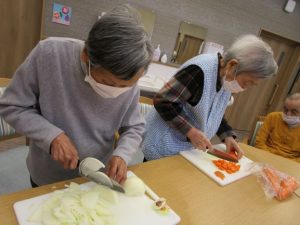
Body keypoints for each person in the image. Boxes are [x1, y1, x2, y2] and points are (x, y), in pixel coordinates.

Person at [0, 5, 153, 186]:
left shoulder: (129, 78)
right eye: (110, 83)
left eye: (126, 86)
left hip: (96, 176)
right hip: (47, 176)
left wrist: (122, 154)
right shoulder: (50, 54)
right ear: (86, 55)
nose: (118, 90)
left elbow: (134, 127)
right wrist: (52, 136)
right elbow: (12, 105)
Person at [143, 34, 278, 161]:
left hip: (185, 147)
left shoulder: (226, 77)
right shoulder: (200, 70)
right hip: (162, 143)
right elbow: (163, 101)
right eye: (247, 82)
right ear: (232, 65)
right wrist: (191, 132)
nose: (244, 88)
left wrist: (228, 136)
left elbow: (214, 113)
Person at [255, 93, 300, 162]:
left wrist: (287, 163)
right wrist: (268, 157)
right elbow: (259, 142)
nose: (288, 114)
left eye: (294, 112)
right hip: (266, 155)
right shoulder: (272, 117)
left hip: (290, 162)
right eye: (285, 109)